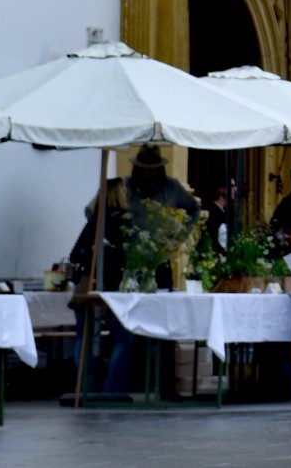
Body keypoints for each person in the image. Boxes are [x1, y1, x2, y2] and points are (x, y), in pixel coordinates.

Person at [68, 145, 201, 399]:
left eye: (153, 170)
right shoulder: (122, 187)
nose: (148, 175)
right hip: (121, 269)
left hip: (153, 263)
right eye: (144, 170)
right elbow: (90, 212)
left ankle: (151, 385)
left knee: (151, 327)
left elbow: (193, 208)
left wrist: (177, 238)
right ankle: (100, 389)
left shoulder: (171, 188)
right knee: (118, 336)